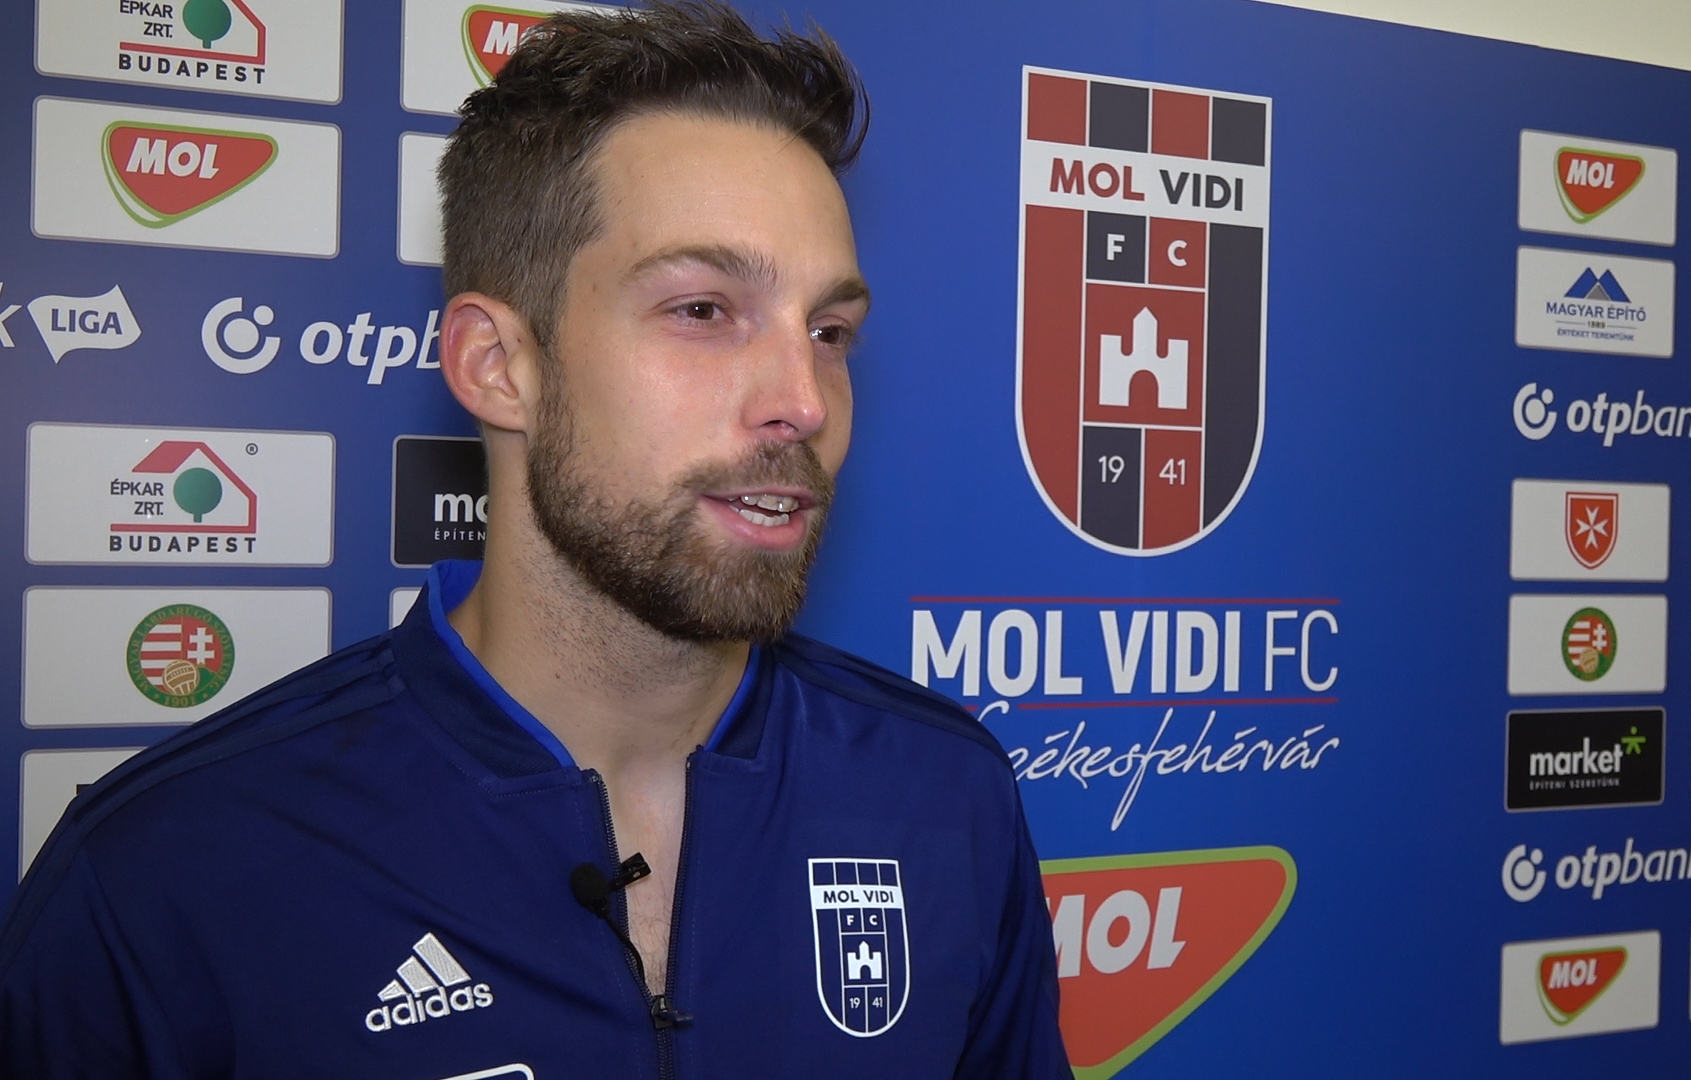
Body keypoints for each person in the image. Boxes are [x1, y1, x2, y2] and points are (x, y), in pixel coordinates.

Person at [0, 5, 1070, 1077]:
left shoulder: (946, 793)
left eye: (829, 332)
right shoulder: (165, 877)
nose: (805, 400)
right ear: (497, 365)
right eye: (703, 311)